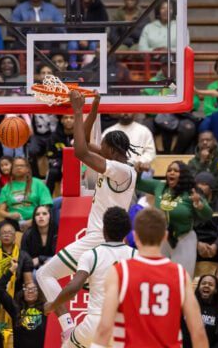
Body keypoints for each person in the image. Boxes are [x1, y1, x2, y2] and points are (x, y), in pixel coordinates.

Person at [36, 92, 138, 340]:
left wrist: (77, 110)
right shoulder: (118, 163)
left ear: (112, 150)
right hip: (104, 241)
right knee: (97, 298)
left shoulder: (121, 170)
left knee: (44, 274)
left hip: (97, 239)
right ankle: (85, 331)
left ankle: (68, 326)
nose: (99, 150)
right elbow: (79, 142)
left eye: (103, 147)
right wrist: (91, 111)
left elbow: (79, 152)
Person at [92, 207, 209, 348]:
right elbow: (198, 332)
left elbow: (104, 328)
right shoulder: (180, 274)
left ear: (135, 236)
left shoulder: (119, 272)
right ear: (165, 237)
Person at [44, 206, 136, 348]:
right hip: (125, 324)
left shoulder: (91, 255)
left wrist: (52, 305)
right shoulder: (135, 256)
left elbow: (73, 287)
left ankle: (69, 335)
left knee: (68, 344)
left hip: (95, 323)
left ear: (104, 229)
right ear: (127, 231)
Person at [136, 161, 213, 276]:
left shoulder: (191, 192)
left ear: (183, 175)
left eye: (176, 171)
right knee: (158, 276)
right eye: (169, 170)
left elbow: (208, 215)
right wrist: (138, 171)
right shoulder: (159, 186)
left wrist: (199, 205)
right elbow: (138, 184)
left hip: (184, 238)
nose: (171, 173)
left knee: (181, 278)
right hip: (161, 238)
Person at [0, 261, 46, 348]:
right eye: (26, 288)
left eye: (34, 289)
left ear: (39, 293)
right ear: (23, 292)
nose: (30, 291)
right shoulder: (16, 308)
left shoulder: (46, 309)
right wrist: (11, 270)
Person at [0, 157, 53, 233]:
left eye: (22, 165)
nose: (19, 168)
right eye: (16, 166)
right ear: (12, 169)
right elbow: (1, 211)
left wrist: (33, 220)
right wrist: (10, 215)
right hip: (14, 221)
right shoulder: (6, 188)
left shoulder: (38, 183)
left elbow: (46, 206)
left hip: (35, 219)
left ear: (27, 169)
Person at [182, 274, 218, 348]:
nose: (206, 285)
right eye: (203, 283)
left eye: (210, 284)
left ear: (216, 290)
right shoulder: (187, 306)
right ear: (198, 287)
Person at [68, 0, 108, 69]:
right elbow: (69, 25)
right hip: (77, 38)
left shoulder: (99, 6)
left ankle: (90, 67)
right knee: (72, 45)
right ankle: (73, 67)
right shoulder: (74, 6)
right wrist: (80, 38)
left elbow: (101, 27)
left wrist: (88, 38)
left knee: (94, 45)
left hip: (93, 38)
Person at [194, 172, 218, 264]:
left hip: (215, 244)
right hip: (196, 242)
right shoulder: (190, 204)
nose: (200, 187)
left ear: (211, 187)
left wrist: (215, 245)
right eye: (198, 184)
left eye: (204, 184)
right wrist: (197, 244)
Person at [21, 205, 57, 271]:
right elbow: (24, 256)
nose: (41, 216)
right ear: (34, 218)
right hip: (34, 268)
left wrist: (40, 259)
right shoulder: (28, 234)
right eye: (37, 214)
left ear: (50, 216)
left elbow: (60, 256)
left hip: (54, 266)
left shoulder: (58, 232)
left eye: (44, 214)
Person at [46, 114, 74, 194]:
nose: (68, 120)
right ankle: (46, 200)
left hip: (77, 167)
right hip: (59, 167)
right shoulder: (54, 137)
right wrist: (62, 164)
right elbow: (50, 155)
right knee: (52, 172)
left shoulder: (80, 135)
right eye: (66, 117)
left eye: (71, 117)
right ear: (61, 120)